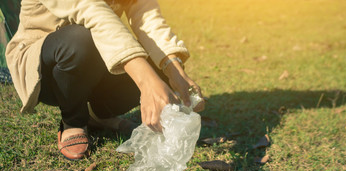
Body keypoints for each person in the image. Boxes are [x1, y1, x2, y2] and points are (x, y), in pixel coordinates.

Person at [5, 0, 205, 160]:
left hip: (97, 56)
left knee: (160, 63)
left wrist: (174, 69)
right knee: (81, 38)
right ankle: (73, 121)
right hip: (46, 65)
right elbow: (91, 11)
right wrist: (146, 82)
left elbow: (148, 20)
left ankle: (99, 114)